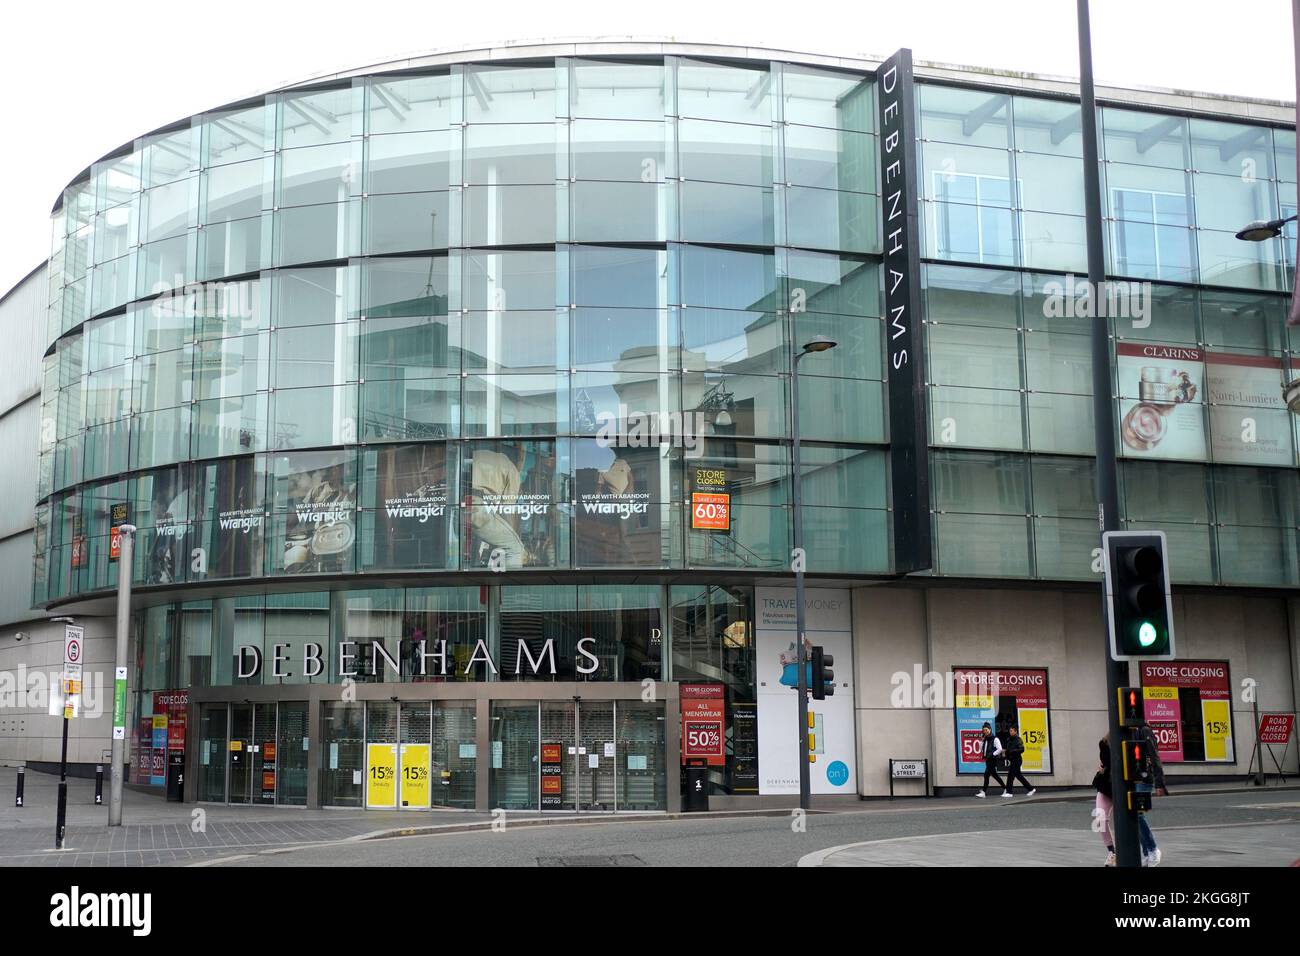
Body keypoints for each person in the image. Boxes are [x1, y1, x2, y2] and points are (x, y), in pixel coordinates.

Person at [1136, 720, 1168, 866]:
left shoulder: (1144, 730)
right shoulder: (1130, 730)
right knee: (1134, 815)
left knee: (1137, 814)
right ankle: (1146, 853)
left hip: (1144, 778)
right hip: (1133, 779)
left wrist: (1159, 783)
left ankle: (1153, 849)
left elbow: (1154, 757)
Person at [1093, 735, 1115, 866]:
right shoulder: (1104, 742)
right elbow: (1104, 763)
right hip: (1106, 787)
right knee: (1100, 818)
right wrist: (1102, 768)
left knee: (1135, 821)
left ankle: (1149, 850)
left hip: (1123, 788)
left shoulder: (1130, 738)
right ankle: (1112, 852)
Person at [1001, 724, 1037, 798]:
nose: (1010, 732)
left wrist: (1011, 751)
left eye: (1011, 731)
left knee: (1011, 775)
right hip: (1013, 759)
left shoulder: (1018, 739)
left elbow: (1022, 749)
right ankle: (1031, 789)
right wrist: (1006, 752)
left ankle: (1009, 792)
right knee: (1019, 776)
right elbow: (1009, 750)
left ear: (1015, 731)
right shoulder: (1010, 739)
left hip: (1017, 760)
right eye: (1009, 731)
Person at [974, 722, 1005, 798]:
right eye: (984, 730)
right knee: (993, 775)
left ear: (990, 729)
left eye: (987, 729)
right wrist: (981, 741)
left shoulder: (995, 739)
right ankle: (1005, 788)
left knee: (987, 775)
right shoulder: (985, 739)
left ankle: (984, 792)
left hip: (992, 760)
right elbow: (981, 750)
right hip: (988, 759)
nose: (985, 731)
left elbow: (1000, 749)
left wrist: (992, 755)